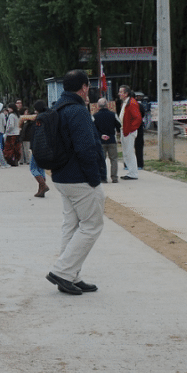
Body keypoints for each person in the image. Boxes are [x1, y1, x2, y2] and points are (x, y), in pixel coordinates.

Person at [45, 70, 106, 296]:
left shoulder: (57, 108)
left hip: (61, 177)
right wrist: (94, 178)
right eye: (88, 87)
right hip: (79, 179)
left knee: (70, 226)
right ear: (83, 87)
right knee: (92, 226)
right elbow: (85, 148)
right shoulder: (78, 111)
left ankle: (71, 275)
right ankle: (62, 271)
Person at [21, 100, 51, 197]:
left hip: (38, 147)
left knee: (33, 168)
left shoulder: (38, 119)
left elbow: (36, 134)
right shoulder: (48, 117)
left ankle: (43, 185)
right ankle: (41, 189)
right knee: (41, 168)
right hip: (46, 147)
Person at [93, 98, 121, 183]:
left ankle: (103, 178)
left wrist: (101, 135)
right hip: (111, 139)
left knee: (101, 159)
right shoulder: (113, 114)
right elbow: (119, 125)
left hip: (101, 140)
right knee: (114, 159)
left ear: (98, 106)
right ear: (107, 105)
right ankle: (114, 178)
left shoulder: (94, 116)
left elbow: (93, 128)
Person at [118, 85, 140, 180]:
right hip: (125, 130)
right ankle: (131, 171)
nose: (119, 94)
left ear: (126, 93)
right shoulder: (127, 103)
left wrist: (130, 129)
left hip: (128, 131)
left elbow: (137, 118)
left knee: (129, 152)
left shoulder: (131, 103)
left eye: (121, 92)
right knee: (127, 152)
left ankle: (133, 173)